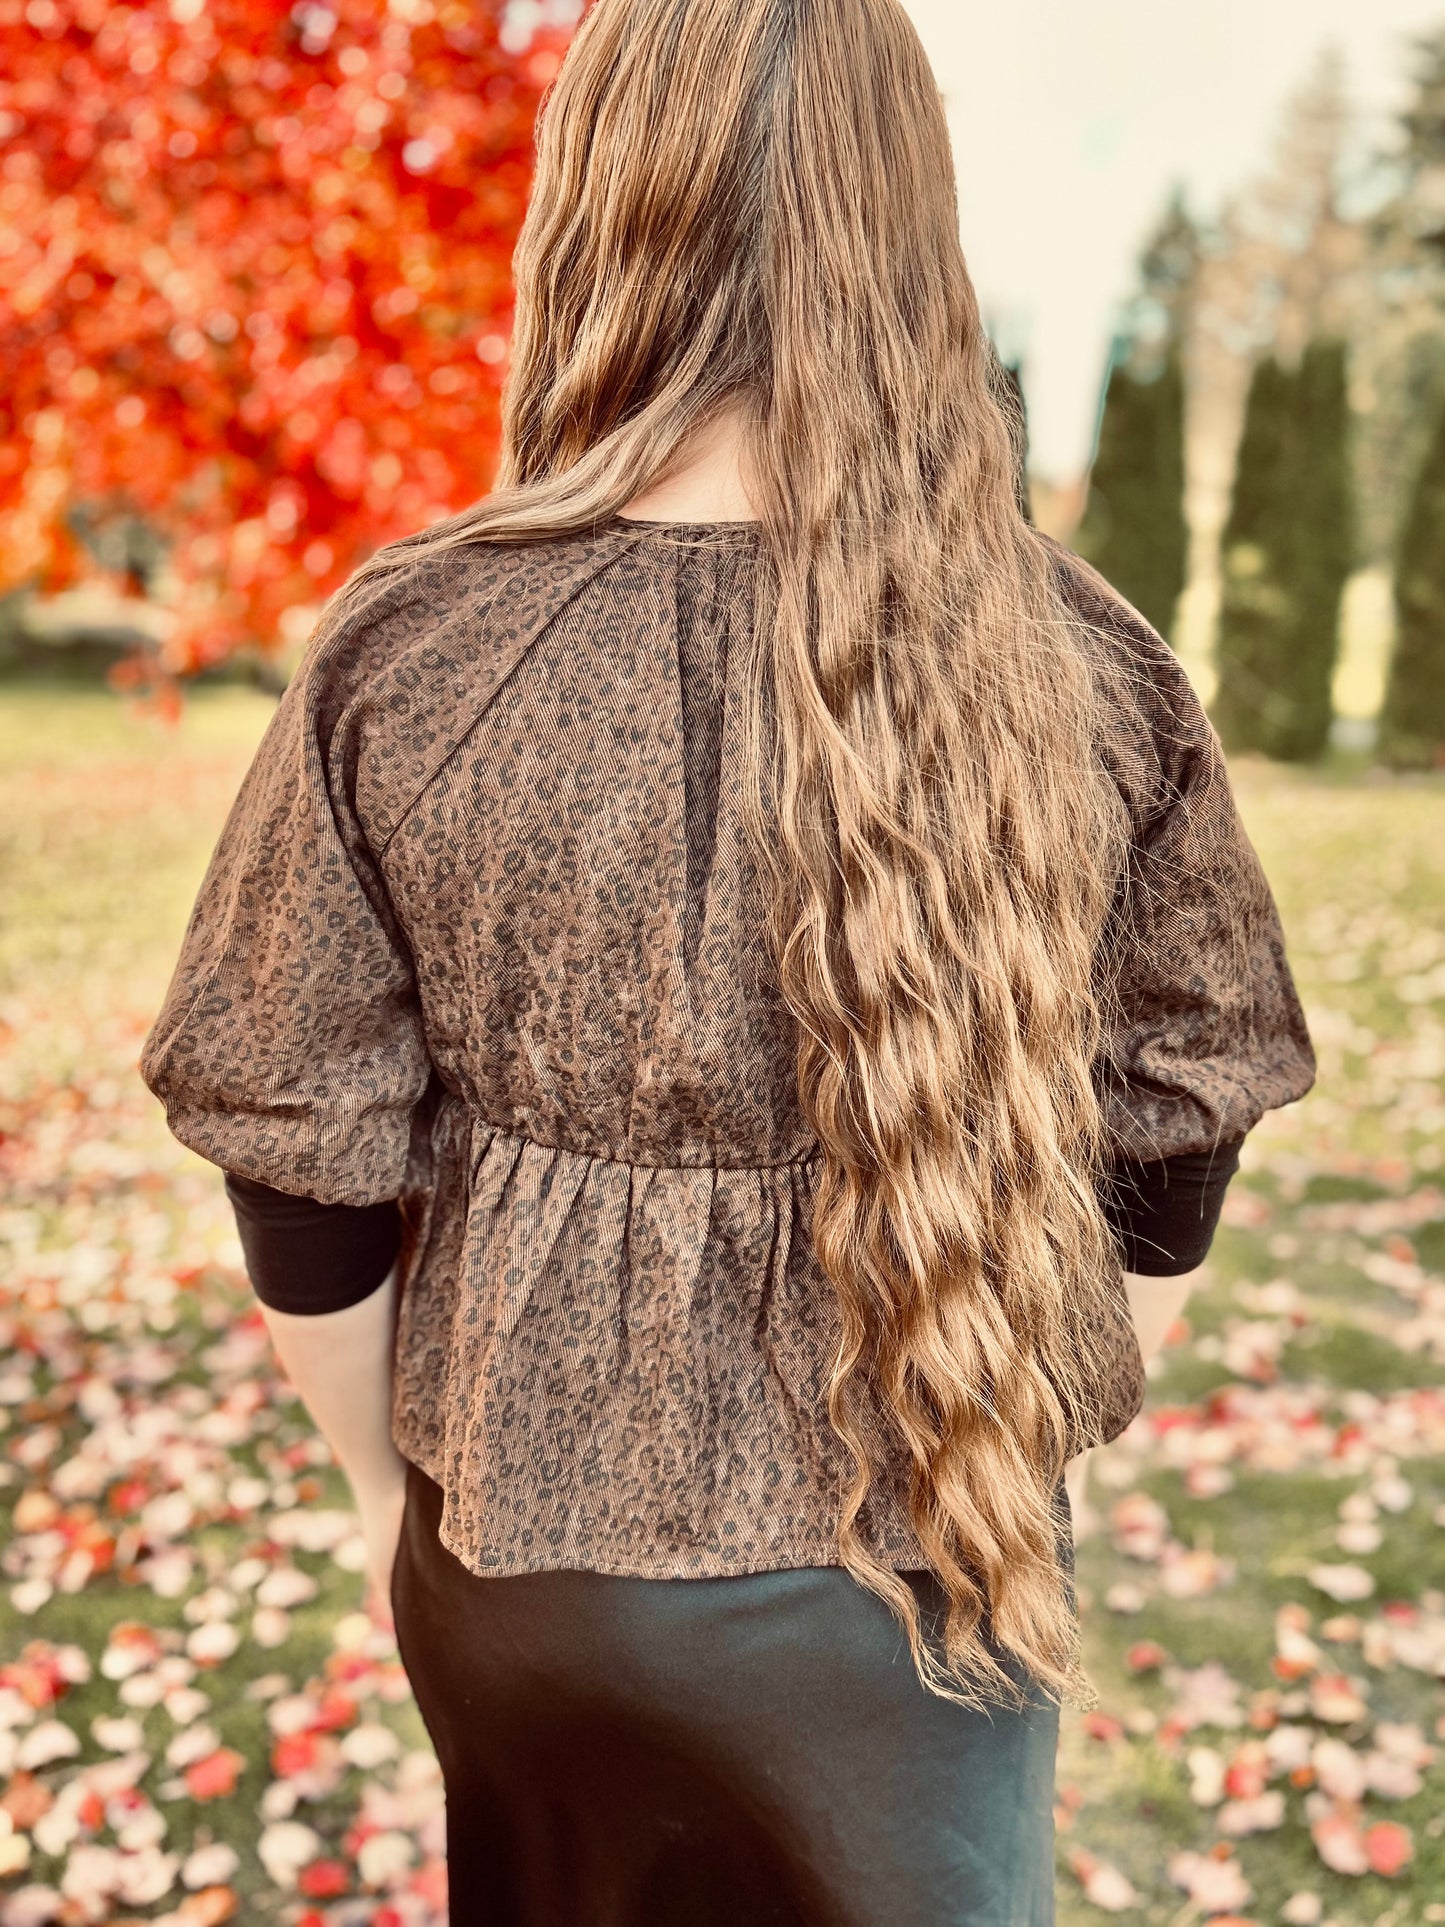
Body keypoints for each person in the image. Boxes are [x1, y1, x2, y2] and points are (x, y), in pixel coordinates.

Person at [140, 1, 1316, 1920]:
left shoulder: (410, 650)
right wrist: (1046, 1391)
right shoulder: (1079, 663)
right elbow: (1179, 1126)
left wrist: (387, 1492)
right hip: (927, 1565)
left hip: (519, 1563)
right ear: (908, 230)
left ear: (594, 210)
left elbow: (301, 1160)